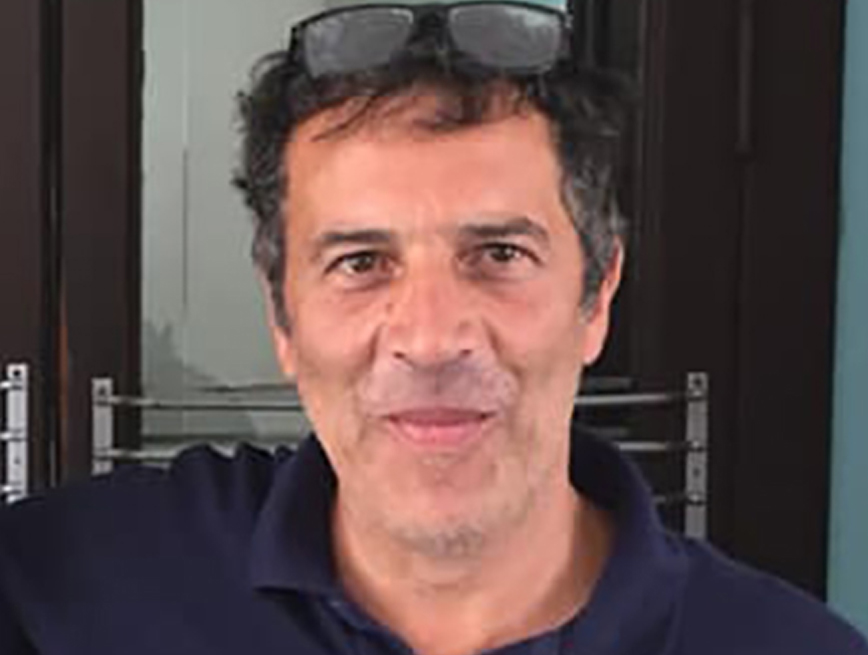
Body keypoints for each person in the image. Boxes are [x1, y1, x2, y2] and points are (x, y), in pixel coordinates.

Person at [0, 2, 866, 654]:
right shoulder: (97, 574)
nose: (431, 337)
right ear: (282, 318)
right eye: (360, 262)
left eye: (498, 253)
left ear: (597, 295)